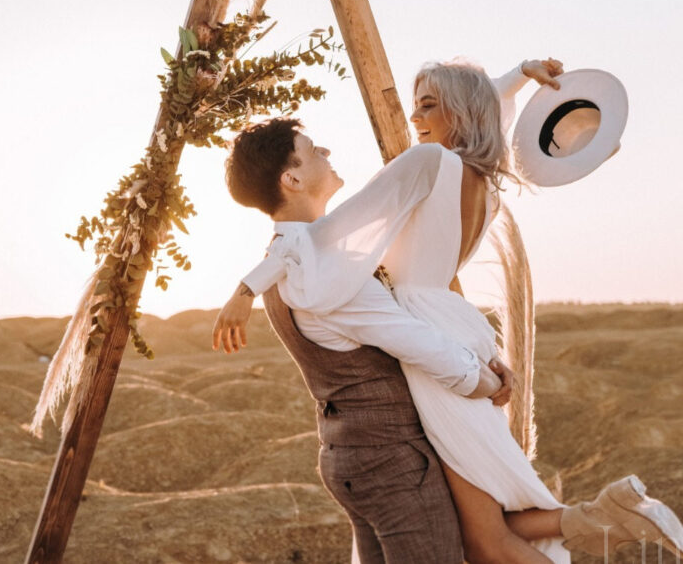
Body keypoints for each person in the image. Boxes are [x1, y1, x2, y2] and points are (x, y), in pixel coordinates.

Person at [215, 58, 683, 564]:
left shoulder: (426, 164)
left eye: (426, 106)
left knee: (485, 539)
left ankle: (609, 513)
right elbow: (477, 110)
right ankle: (608, 513)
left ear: (460, 110)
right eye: (415, 104)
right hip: (458, 325)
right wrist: (514, 79)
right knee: (484, 527)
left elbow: (314, 239)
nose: (414, 117)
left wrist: (247, 288)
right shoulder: (483, 182)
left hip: (438, 350)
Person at [217, 117, 516, 563]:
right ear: (292, 178)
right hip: (391, 461)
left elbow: (292, 250)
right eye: (313, 148)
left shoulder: (288, 259)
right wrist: (487, 385)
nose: (327, 154)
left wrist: (244, 289)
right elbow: (418, 342)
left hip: (346, 455)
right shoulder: (329, 275)